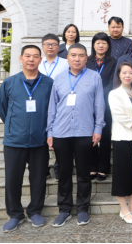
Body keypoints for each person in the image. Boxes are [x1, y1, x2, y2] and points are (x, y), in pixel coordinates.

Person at [0, 45, 55, 233]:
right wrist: (14, 125)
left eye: (35, 56)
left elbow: (52, 110)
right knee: (13, 179)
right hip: (14, 140)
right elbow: (1, 108)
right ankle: (15, 214)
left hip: (39, 140)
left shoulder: (48, 83)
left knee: (38, 178)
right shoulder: (9, 82)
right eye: (27, 56)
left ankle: (35, 211)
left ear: (40, 60)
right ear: (21, 58)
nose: (31, 59)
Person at [47, 44, 105, 228]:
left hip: (85, 131)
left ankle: (82, 209)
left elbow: (99, 105)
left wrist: (98, 129)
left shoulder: (94, 77)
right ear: (68, 58)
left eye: (81, 55)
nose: (77, 59)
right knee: (64, 173)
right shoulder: (59, 78)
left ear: (86, 58)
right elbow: (52, 107)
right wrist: (50, 132)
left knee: (83, 173)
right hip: (61, 132)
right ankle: (64, 209)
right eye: (73, 55)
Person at [109, 62, 132, 224]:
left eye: (131, 73)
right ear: (119, 75)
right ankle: (124, 210)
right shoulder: (114, 94)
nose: (127, 75)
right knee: (122, 175)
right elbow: (121, 118)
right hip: (122, 139)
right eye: (124, 72)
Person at [38, 34, 69, 182]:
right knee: (41, 137)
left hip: (59, 105)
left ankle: (59, 168)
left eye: (54, 44)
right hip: (40, 104)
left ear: (59, 47)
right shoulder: (37, 62)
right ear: (42, 46)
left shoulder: (65, 63)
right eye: (47, 44)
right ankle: (43, 169)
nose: (50, 47)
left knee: (59, 137)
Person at [87, 33, 117, 181]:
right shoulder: (87, 61)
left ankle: (103, 168)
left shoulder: (113, 61)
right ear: (93, 45)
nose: (101, 46)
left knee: (105, 135)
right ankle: (92, 167)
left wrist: (100, 94)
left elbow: (113, 81)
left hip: (106, 102)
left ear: (108, 45)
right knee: (90, 134)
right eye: (98, 43)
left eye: (104, 43)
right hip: (88, 102)